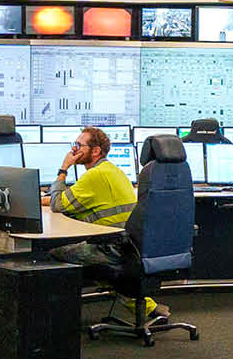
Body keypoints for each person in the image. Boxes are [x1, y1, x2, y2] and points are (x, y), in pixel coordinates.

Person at [48, 126, 160, 326]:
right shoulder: (111, 170)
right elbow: (69, 200)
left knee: (53, 252)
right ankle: (147, 307)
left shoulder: (94, 175)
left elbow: (58, 204)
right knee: (89, 253)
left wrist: (63, 168)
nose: (74, 151)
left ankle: (58, 321)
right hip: (129, 247)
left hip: (113, 249)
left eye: (79, 145)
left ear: (96, 151)